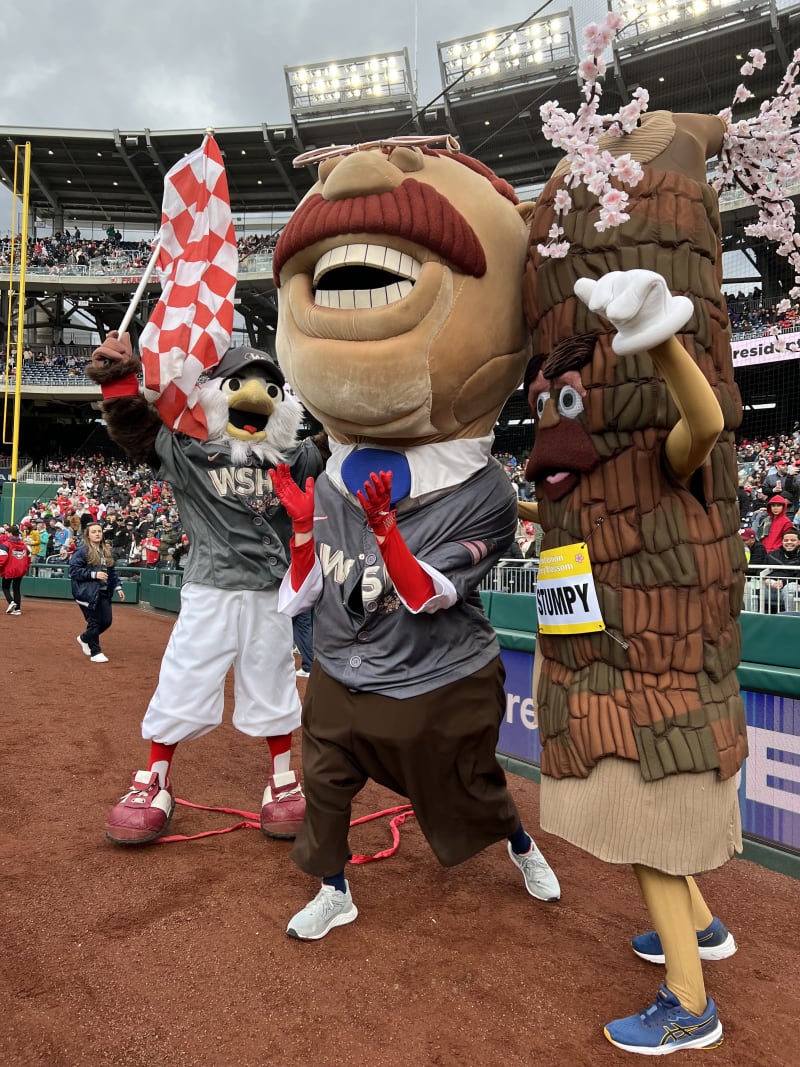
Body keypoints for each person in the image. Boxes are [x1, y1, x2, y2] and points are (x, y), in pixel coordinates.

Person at [271, 137, 558, 942]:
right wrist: (301, 529)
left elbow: (429, 591)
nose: (357, 175)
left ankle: (520, 842)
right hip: (341, 670)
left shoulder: (484, 490)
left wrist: (391, 532)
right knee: (324, 781)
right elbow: (304, 589)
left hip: (435, 678)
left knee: (471, 789)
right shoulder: (328, 478)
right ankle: (334, 886)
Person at [523, 111, 747, 1055]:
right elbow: (565, 498)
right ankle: (698, 925)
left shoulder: (670, 449)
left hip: (655, 663)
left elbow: (703, 428)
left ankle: (690, 1003)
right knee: (628, 794)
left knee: (648, 802)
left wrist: (660, 342)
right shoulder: (581, 482)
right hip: (597, 649)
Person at [87, 337, 322, 844]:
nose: (256, 398)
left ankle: (282, 779)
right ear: (216, 394)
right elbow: (138, 432)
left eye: (269, 388)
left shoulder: (296, 457)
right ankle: (155, 779)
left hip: (270, 593)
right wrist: (120, 380)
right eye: (239, 385)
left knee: (273, 680)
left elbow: (344, 437)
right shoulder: (191, 454)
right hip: (210, 588)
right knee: (184, 678)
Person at [69, 521, 125, 662]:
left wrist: (118, 586)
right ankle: (96, 652)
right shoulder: (82, 551)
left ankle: (84, 638)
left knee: (106, 621)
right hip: (87, 593)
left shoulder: (106, 550)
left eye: (99, 531)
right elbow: (74, 571)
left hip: (104, 592)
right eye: (93, 532)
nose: (97, 534)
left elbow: (111, 571)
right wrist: (94, 575)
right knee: (94, 622)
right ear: (88, 535)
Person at [763, 528, 800, 613]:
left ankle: (790, 618)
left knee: (790, 588)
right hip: (771, 587)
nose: (789, 542)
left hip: (792, 586)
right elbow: (760, 570)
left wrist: (783, 581)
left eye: (793, 540)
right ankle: (752, 618)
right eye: (786, 540)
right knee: (749, 586)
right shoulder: (772, 555)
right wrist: (767, 580)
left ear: (799, 542)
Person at [0, 525, 31, 615]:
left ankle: (11, 602)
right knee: (16, 588)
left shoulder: (6, 544)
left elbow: (2, 559)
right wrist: (26, 567)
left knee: (5, 587)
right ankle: (17, 609)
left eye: (7, 533)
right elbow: (29, 557)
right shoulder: (24, 545)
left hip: (9, 569)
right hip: (20, 570)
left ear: (10, 533)